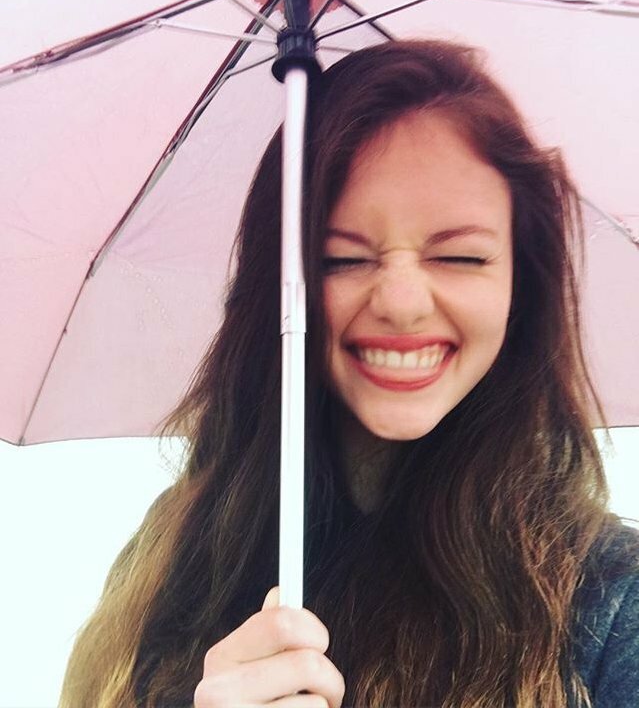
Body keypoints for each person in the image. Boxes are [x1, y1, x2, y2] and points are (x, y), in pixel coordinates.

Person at [60, 40, 639, 708]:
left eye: (459, 257)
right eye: (341, 259)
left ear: (521, 285)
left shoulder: (611, 605)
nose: (401, 303)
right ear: (279, 288)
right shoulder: (169, 553)